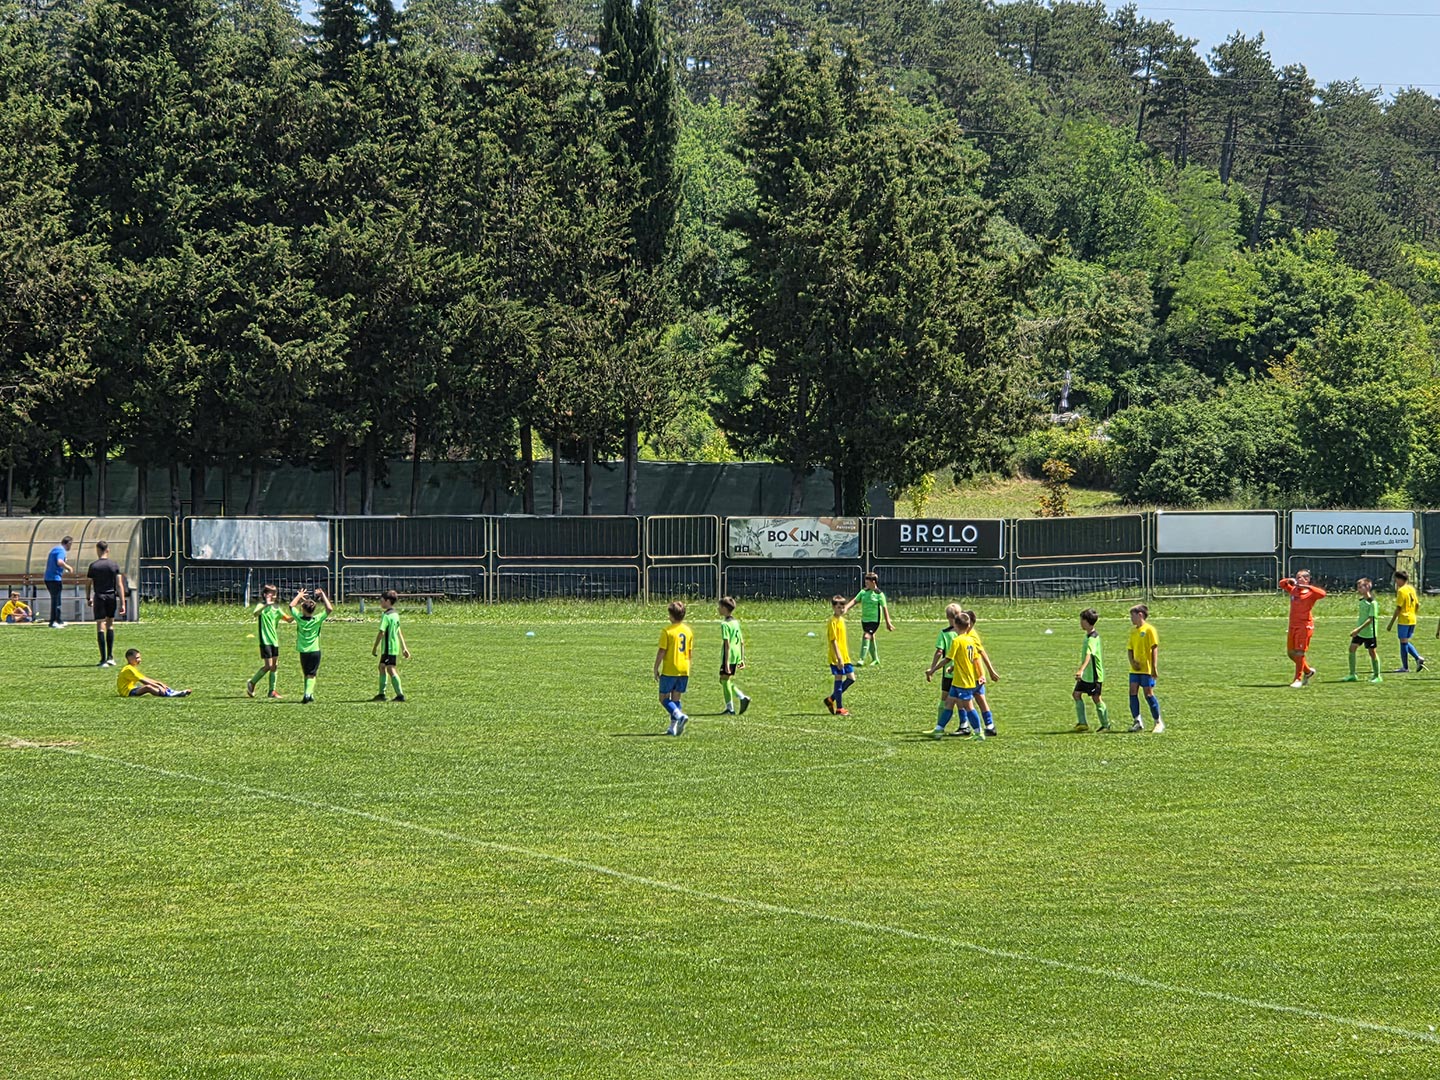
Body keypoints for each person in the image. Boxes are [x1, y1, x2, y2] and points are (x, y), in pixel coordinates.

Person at [926, 611, 993, 739]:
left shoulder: (957, 641)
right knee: (949, 704)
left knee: (969, 707)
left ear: (955, 625)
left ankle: (979, 732)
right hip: (957, 680)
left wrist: (933, 669)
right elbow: (972, 659)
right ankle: (939, 729)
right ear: (968, 626)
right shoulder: (970, 640)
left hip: (963, 681)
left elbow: (947, 659)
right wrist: (954, 667)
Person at [1280, 571, 1326, 688]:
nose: (1298, 579)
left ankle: (1298, 679)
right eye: (1297, 577)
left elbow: (1322, 594)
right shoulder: (1294, 590)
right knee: (1291, 653)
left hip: (1304, 626)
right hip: (1292, 625)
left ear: (1307, 579)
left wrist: (1307, 587)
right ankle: (1308, 671)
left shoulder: (1311, 593)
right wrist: (1289, 580)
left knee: (1299, 652)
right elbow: (1282, 584)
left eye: (1300, 577)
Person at [654, 600, 694, 735]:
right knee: (676, 698)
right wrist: (688, 666)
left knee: (663, 698)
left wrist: (656, 668)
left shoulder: (667, 631)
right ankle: (673, 728)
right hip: (684, 669)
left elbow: (662, 651)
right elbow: (689, 652)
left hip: (671, 669)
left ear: (671, 615)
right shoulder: (688, 631)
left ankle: (679, 715)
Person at [246, 584, 292, 699]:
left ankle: (272, 691)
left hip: (274, 640)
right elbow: (255, 613)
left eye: (275, 593)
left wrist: (299, 614)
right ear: (265, 594)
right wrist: (266, 604)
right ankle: (252, 682)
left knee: (274, 666)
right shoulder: (261, 606)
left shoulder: (276, 608)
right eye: (271, 593)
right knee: (268, 666)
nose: (274, 596)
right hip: (265, 640)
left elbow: (288, 619)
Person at [85, 540, 126, 667]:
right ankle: (110, 657)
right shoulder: (114, 565)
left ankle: (103, 659)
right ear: (107, 550)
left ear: (98, 550)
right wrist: (122, 603)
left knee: (100, 625)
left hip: (99, 596)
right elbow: (119, 585)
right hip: (111, 596)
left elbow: (88, 583)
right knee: (110, 625)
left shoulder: (93, 566)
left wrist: (88, 597)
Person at [289, 587, 333, 704]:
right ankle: (308, 694)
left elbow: (291, 606)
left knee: (306, 673)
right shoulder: (317, 619)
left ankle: (309, 693)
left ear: (303, 609)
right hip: (315, 650)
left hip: (303, 650)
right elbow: (329, 609)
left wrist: (299, 595)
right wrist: (323, 595)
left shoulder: (299, 618)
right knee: (312, 674)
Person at [844, 572, 894, 666]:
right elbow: (855, 601)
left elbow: (884, 608)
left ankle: (861, 659)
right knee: (871, 638)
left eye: (867, 583)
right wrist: (846, 607)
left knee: (866, 636)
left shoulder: (879, 594)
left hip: (874, 620)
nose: (866, 584)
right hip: (865, 620)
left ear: (873, 582)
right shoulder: (863, 592)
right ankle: (875, 659)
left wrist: (888, 623)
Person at [1127, 604, 1163, 733]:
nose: (1131, 618)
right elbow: (1130, 649)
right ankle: (1137, 721)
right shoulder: (1133, 631)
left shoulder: (1149, 630)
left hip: (1146, 669)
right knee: (1132, 692)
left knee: (1148, 694)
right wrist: (1132, 662)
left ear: (1140, 615)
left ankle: (1158, 721)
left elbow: (1154, 648)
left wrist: (1153, 667)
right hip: (1135, 670)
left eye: (1132, 616)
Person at [1073, 608, 1110, 732]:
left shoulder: (1092, 638)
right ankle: (1082, 723)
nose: (1080, 623)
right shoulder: (1088, 636)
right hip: (1086, 675)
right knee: (1076, 694)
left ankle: (1106, 725)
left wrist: (1081, 670)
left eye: (1081, 620)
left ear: (1086, 621)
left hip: (1094, 675)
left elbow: (1089, 655)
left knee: (1096, 698)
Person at [965, 609, 1000, 737]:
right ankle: (989, 726)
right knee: (980, 699)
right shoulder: (968, 634)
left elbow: (982, 653)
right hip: (974, 674)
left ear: (969, 624)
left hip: (973, 674)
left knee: (962, 701)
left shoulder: (971, 636)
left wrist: (991, 671)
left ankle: (970, 728)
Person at [372, 589, 411, 702]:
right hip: (392, 647)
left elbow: (381, 632)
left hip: (389, 648)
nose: (380, 603)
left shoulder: (386, 616)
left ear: (388, 601)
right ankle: (381, 694)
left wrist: (375, 647)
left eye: (382, 601)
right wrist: (404, 648)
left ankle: (400, 695)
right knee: (381, 666)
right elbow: (399, 631)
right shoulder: (395, 614)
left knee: (390, 669)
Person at [928, 604, 962, 731]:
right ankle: (963, 724)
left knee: (944, 699)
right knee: (961, 700)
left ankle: (939, 727)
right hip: (962, 671)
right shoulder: (964, 633)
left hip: (948, 672)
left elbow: (939, 652)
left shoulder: (945, 633)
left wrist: (932, 668)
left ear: (947, 616)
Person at [1344, 577, 1383, 685]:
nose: (1358, 589)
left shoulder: (1372, 603)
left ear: (1367, 587)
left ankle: (1377, 675)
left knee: (1372, 652)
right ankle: (1352, 674)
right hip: (1360, 632)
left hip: (1369, 632)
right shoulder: (1362, 601)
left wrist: (1357, 629)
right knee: (1352, 648)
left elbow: (1370, 619)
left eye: (1360, 587)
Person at [1386, 570, 1425, 673]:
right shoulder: (1411, 589)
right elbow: (1417, 604)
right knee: (1405, 641)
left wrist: (1391, 623)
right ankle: (1415, 660)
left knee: (1403, 642)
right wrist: (1413, 613)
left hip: (1404, 619)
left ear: (1400, 579)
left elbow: (1398, 608)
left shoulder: (1401, 591)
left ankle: (1407, 666)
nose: (1396, 582)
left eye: (1396, 579)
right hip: (1412, 619)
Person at [717, 596, 750, 715]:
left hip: (729, 656)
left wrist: (726, 663)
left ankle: (731, 708)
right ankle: (741, 697)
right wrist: (741, 658)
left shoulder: (725, 625)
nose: (718, 609)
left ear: (725, 608)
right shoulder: (735, 623)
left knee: (724, 680)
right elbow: (741, 641)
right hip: (736, 655)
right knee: (723, 680)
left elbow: (727, 644)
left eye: (720, 607)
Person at [824, 595, 856, 716]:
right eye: (838, 607)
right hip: (837, 657)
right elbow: (833, 641)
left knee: (851, 678)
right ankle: (839, 708)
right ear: (833, 607)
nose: (841, 609)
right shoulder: (832, 621)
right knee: (839, 679)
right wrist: (838, 658)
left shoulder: (841, 620)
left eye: (843, 607)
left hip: (844, 655)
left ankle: (831, 699)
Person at [116, 648, 191, 698]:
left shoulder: (131, 668)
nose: (140, 660)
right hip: (127, 693)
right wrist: (158, 686)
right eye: (137, 658)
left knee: (154, 685)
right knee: (148, 687)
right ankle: (169, 694)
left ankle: (174, 692)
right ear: (129, 658)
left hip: (131, 689)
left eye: (140, 657)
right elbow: (144, 681)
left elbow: (145, 678)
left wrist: (159, 683)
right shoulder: (128, 669)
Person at [43, 534, 75, 628]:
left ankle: (58, 620)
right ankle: (53, 621)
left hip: (50, 578)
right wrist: (68, 567)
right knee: (55, 600)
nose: (70, 547)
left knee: (57, 600)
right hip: (54, 579)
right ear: (68, 543)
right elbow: (59, 562)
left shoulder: (55, 549)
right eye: (71, 544)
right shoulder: (61, 550)